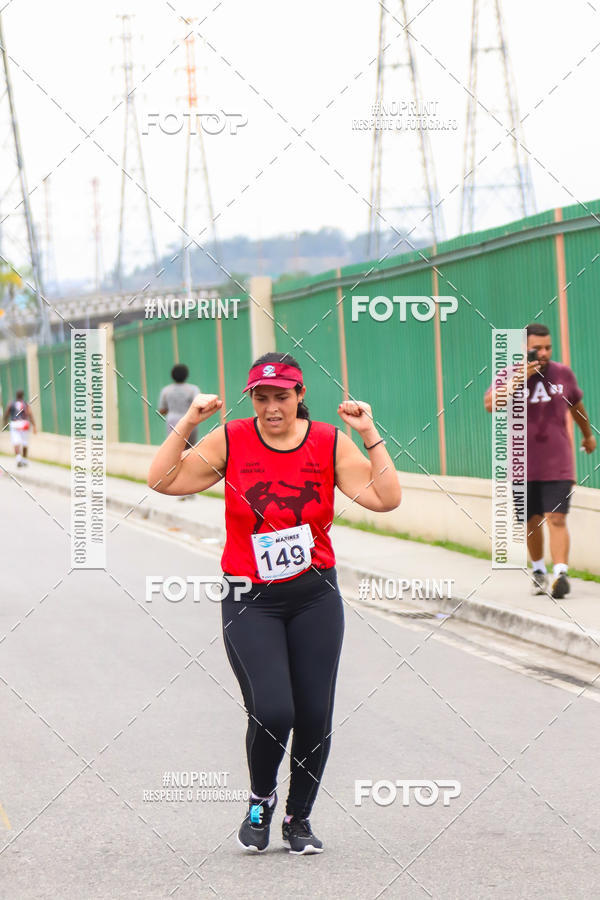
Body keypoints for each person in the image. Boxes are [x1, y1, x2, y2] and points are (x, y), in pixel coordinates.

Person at [147, 352, 401, 855]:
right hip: (249, 598)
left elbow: (385, 498)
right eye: (261, 398)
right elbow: (163, 481)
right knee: (272, 708)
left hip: (314, 596)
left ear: (300, 396)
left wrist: (370, 432)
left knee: (314, 715)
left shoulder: (329, 443)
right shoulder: (233, 438)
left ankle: (298, 818)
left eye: (281, 397)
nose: (271, 408)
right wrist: (190, 423)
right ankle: (261, 798)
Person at [484, 323, 596, 599]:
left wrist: (588, 436)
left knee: (556, 517)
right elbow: (490, 404)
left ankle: (560, 574)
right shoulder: (509, 374)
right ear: (525, 347)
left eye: (548, 347)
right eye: (538, 348)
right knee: (532, 520)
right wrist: (517, 381)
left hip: (558, 462)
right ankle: (538, 571)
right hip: (523, 465)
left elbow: (577, 407)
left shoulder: (562, 374)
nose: (544, 353)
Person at [3, 389, 36, 467]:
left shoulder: (11, 403)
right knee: (25, 442)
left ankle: (18, 458)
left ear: (16, 395)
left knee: (16, 441)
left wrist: (4, 424)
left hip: (15, 424)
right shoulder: (25, 404)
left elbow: (6, 414)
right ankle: (24, 460)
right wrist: (34, 425)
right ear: (23, 395)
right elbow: (30, 414)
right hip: (24, 423)